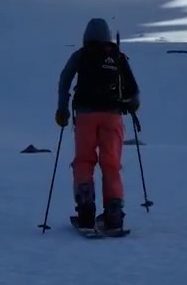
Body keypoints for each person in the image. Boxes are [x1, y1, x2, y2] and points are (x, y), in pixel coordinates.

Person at [55, 17, 140, 232]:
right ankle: (113, 215)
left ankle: (85, 211)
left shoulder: (81, 56)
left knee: (84, 160)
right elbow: (133, 91)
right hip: (112, 115)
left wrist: (62, 109)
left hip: (85, 115)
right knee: (111, 164)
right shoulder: (117, 57)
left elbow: (65, 78)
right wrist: (131, 106)